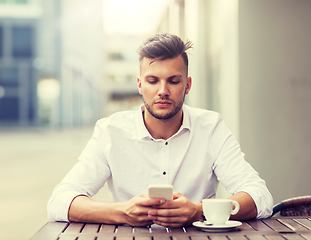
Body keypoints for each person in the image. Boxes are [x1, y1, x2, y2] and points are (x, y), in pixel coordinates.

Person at [47, 33, 273, 227]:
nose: (162, 91)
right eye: (153, 80)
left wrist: (199, 211)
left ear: (188, 85)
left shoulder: (210, 127)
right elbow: (60, 201)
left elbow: (260, 197)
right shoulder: (110, 131)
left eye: (174, 81)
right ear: (139, 84)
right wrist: (123, 213)